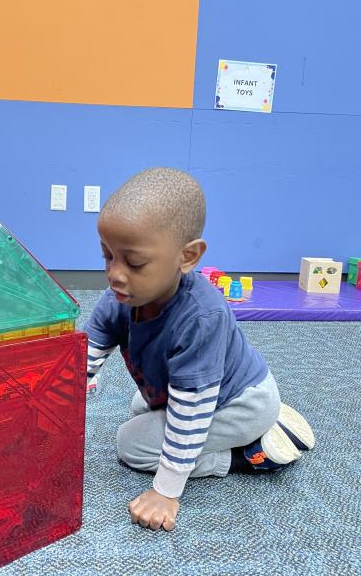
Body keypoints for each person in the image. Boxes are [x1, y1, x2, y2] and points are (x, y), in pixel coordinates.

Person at [84, 167, 315, 532]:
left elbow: (189, 416)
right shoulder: (117, 299)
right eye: (107, 256)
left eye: (134, 262)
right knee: (135, 407)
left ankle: (250, 453)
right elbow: (83, 364)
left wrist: (166, 492)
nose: (114, 273)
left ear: (187, 258)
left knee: (130, 445)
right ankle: (253, 427)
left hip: (241, 403)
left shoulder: (201, 317)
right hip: (199, 392)